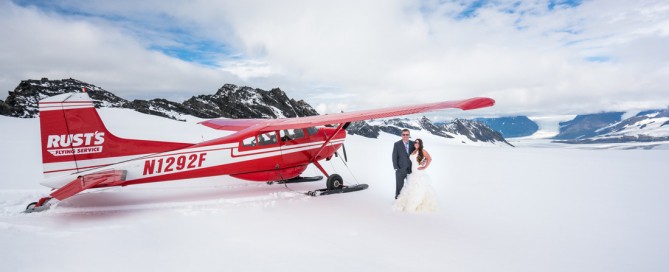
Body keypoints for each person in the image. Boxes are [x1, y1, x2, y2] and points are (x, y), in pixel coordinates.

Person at [393, 138, 438, 212]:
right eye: (415, 142)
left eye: (418, 142)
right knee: (410, 188)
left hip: (419, 172)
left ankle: (415, 204)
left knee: (418, 188)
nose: (416, 144)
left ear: (420, 144)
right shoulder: (414, 151)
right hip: (413, 172)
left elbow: (429, 158)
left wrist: (424, 166)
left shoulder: (422, 150)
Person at [392, 129, 415, 199]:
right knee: (399, 187)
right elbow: (394, 156)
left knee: (410, 186)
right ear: (401, 135)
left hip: (411, 170)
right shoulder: (397, 144)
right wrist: (396, 167)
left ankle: (408, 199)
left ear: (409, 135)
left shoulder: (413, 143)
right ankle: (398, 200)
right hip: (400, 169)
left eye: (407, 134)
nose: (405, 136)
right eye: (404, 134)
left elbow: (418, 153)